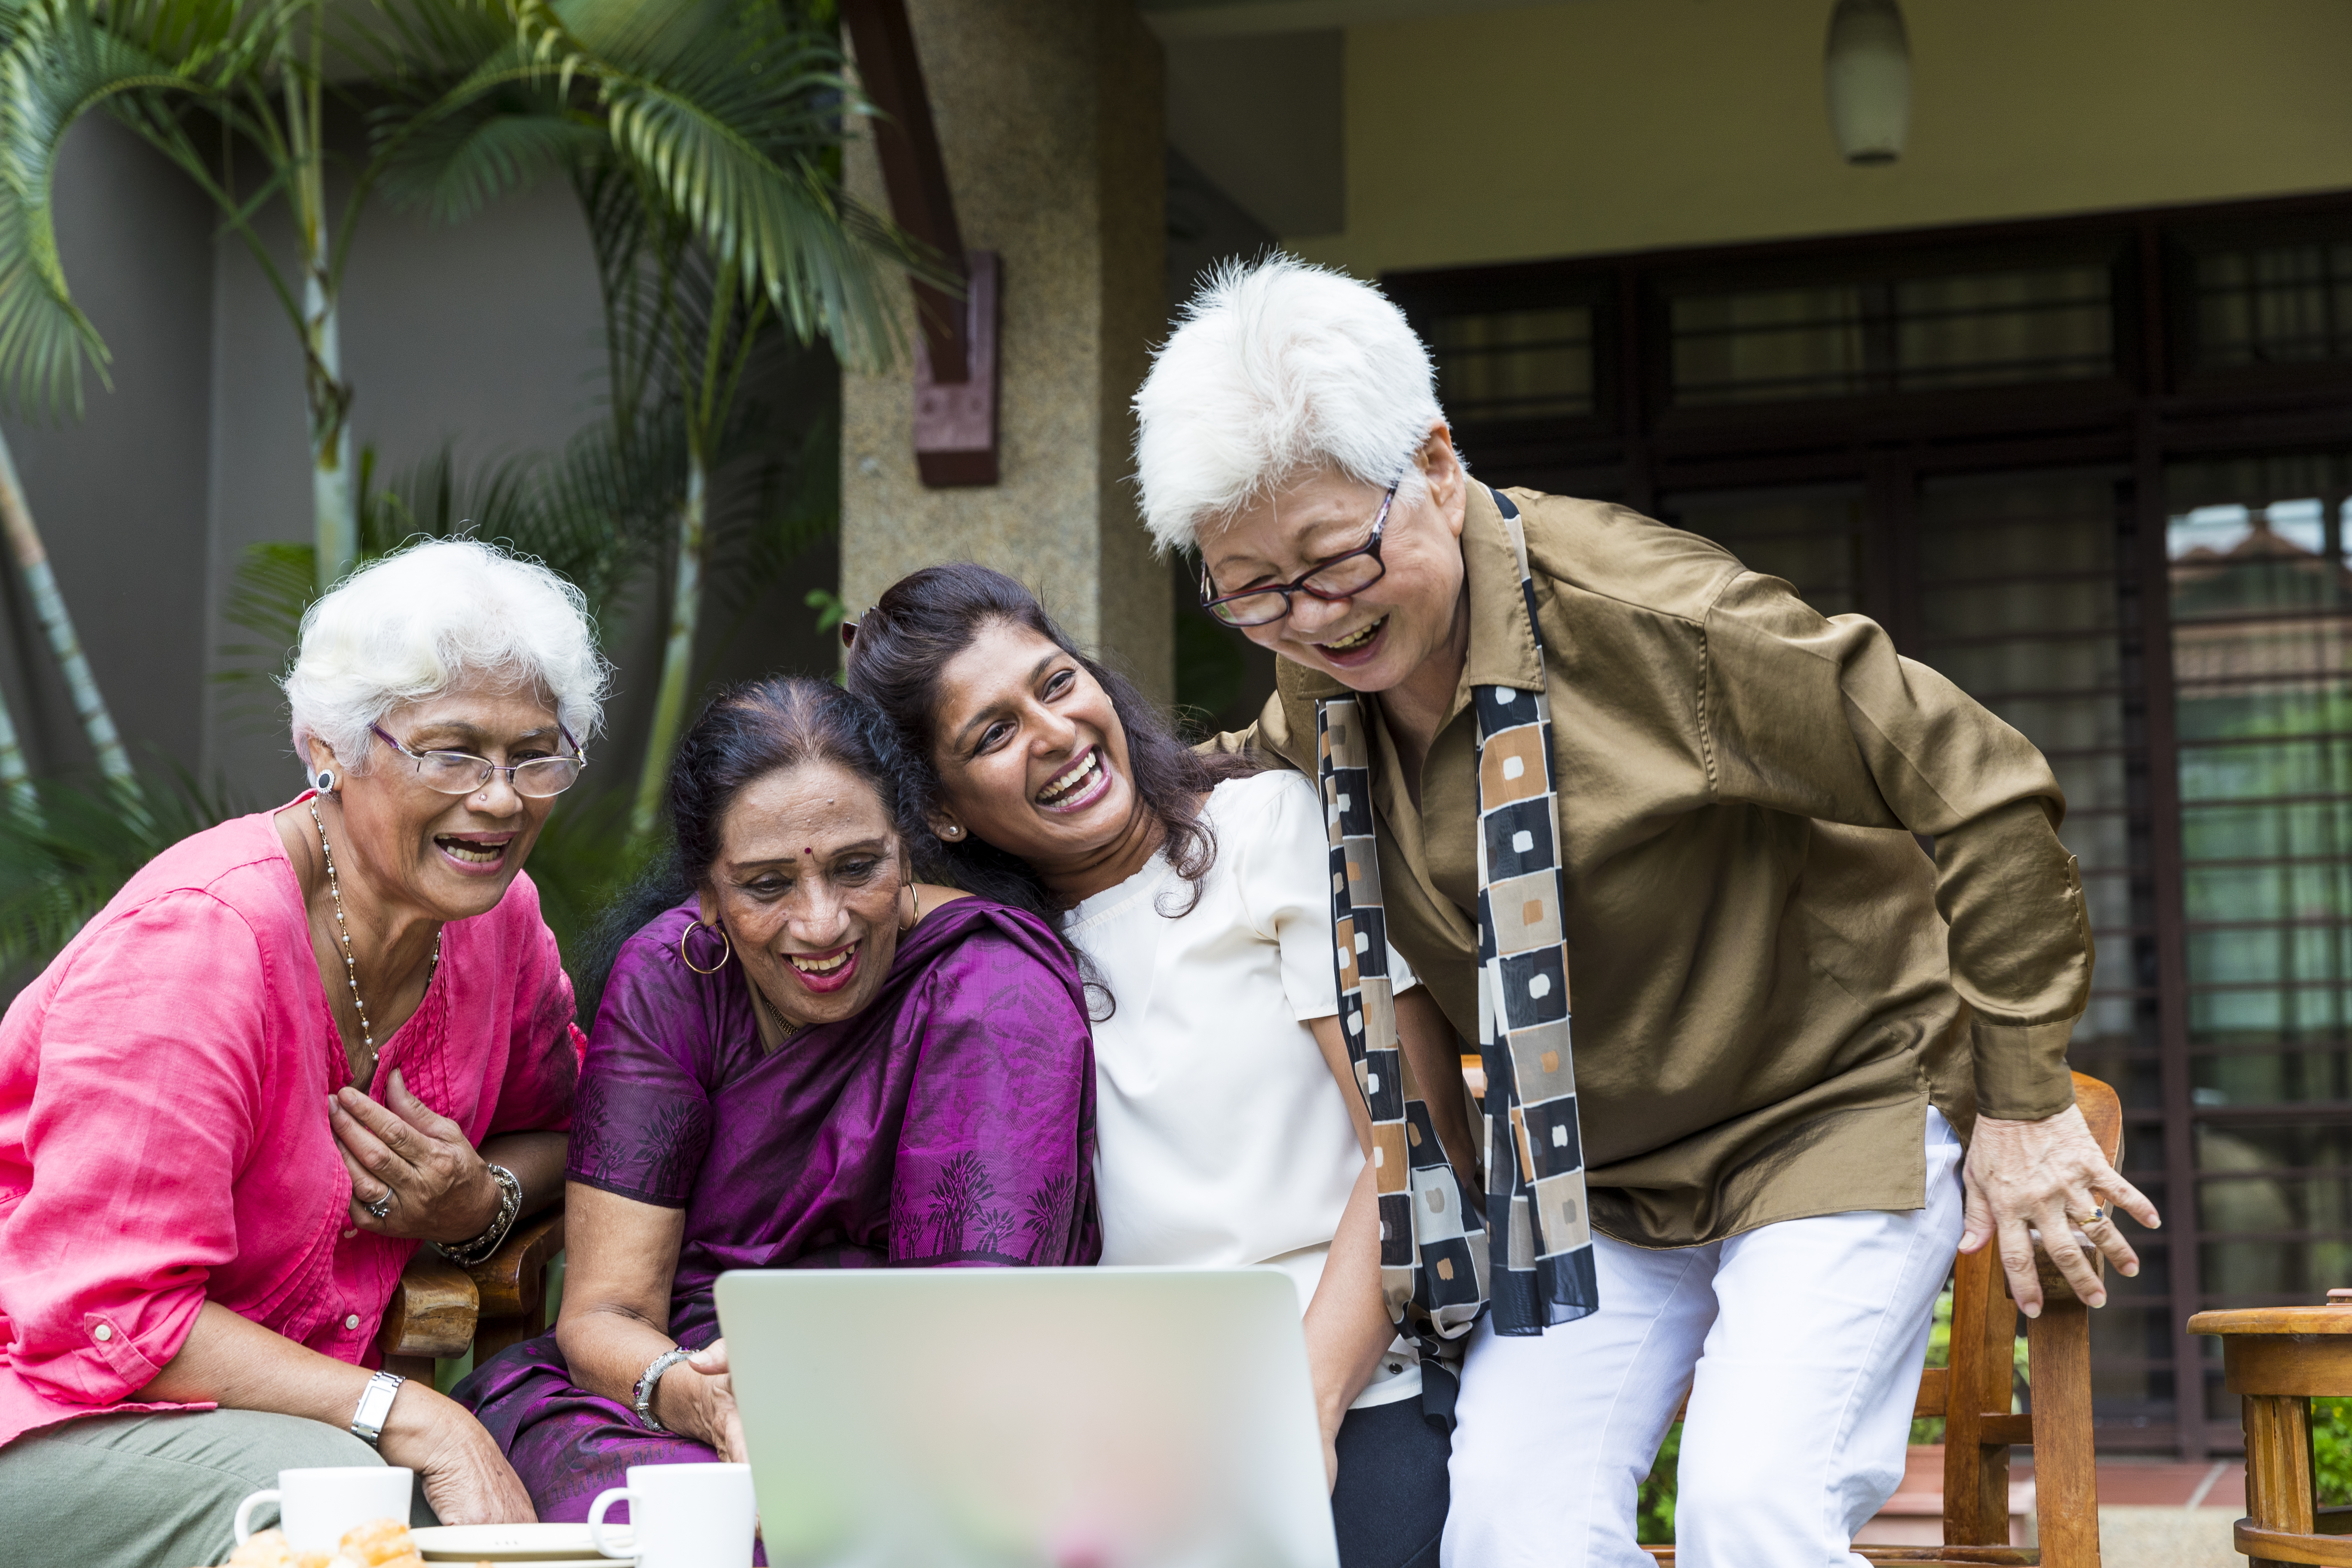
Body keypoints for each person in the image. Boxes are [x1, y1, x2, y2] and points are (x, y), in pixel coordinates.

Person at [1130, 255, 2162, 1568]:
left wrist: (2019, 1105)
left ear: (1436, 465)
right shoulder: (1317, 702)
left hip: (1821, 1115)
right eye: (1251, 588)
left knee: (1751, 1512)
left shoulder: (1651, 616)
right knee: (1507, 1530)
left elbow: (1977, 781)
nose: (1312, 619)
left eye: (1335, 559)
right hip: (1588, 1183)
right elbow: (1220, 789)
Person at [846, 564, 1475, 1568]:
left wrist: (1303, 1409)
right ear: (946, 815)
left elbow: (1417, 1129)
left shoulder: (1261, 831)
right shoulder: (992, 963)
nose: (1053, 734)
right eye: (993, 734)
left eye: (1055, 684)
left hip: (1349, 1392)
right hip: (1121, 1443)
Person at [0, 539, 600, 1568]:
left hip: (304, 1421)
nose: (501, 799)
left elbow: (577, 1126)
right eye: (451, 752)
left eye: (533, 755)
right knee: (349, 1511)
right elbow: (111, 1314)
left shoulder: (497, 924)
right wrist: (414, 1414)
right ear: (327, 748)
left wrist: (480, 1199)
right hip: (53, 1408)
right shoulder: (196, 945)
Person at [454, 676, 1101, 1524]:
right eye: (766, 886)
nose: (823, 924)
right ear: (710, 895)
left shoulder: (990, 992)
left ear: (910, 852)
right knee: (653, 1517)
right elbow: (607, 1312)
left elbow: (972, 1343)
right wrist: (701, 1397)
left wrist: (803, 1433)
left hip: (935, 1418)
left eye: (858, 868)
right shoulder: (674, 975)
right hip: (692, 1393)